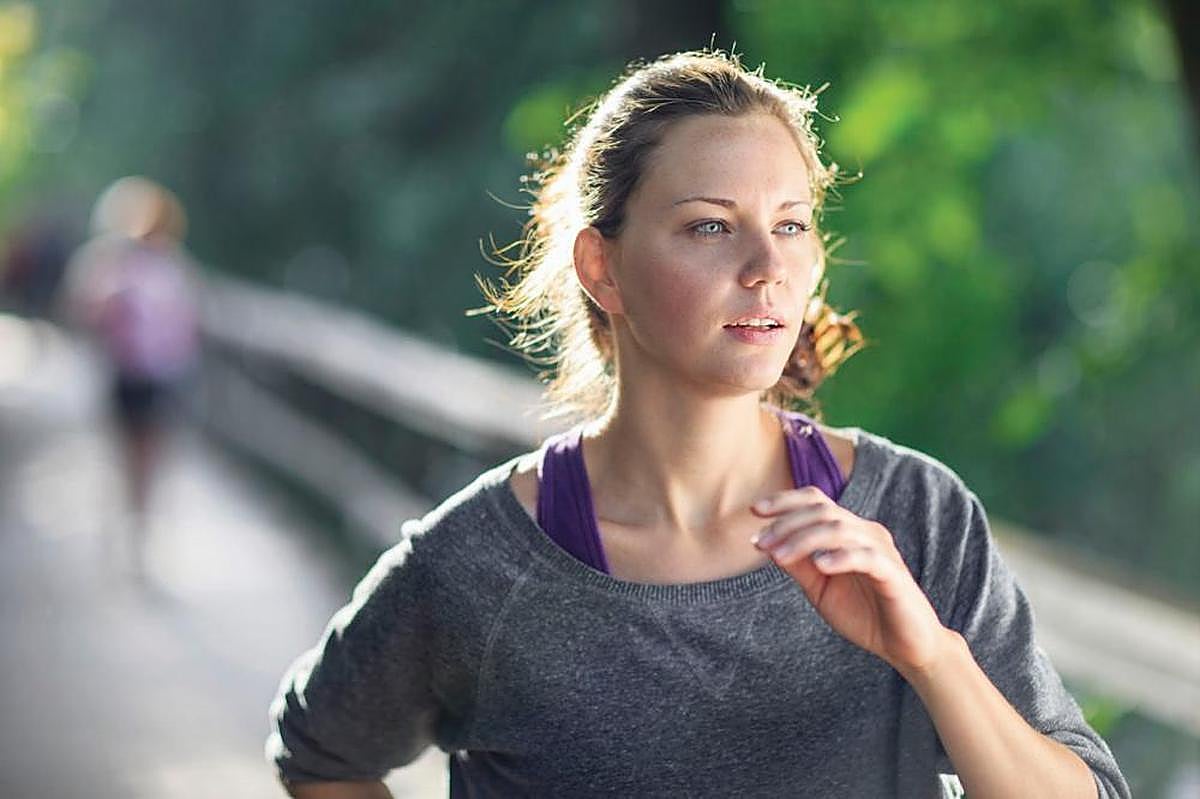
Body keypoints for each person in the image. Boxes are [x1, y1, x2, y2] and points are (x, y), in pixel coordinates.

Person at [266, 49, 1131, 798]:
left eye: (790, 225)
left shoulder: (914, 517)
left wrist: (934, 657)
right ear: (603, 267)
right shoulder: (481, 563)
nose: (767, 267)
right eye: (712, 226)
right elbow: (320, 749)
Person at [60, 176, 201, 573]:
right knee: (127, 454)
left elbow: (188, 320)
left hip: (163, 375)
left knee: (150, 454)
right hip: (127, 374)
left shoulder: (172, 265)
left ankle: (139, 532)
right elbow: (84, 310)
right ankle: (126, 530)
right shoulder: (110, 262)